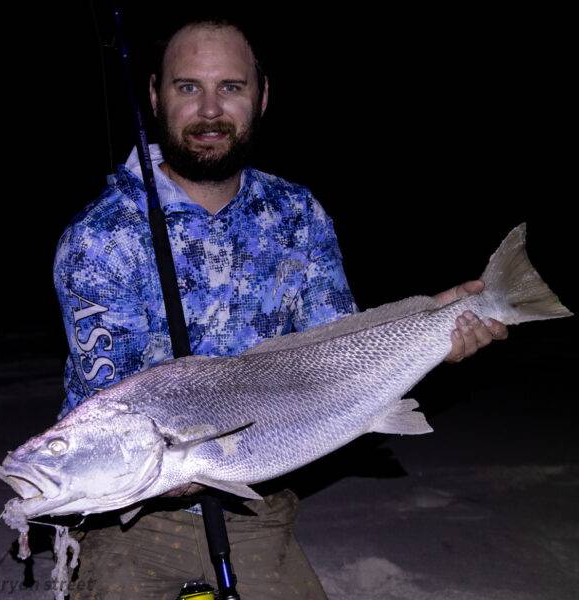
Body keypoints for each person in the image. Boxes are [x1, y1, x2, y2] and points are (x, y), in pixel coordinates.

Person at [54, 18, 508, 600]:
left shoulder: (296, 215)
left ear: (262, 97)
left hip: (257, 514)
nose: (210, 110)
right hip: (129, 524)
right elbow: (112, 418)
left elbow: (335, 351)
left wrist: (433, 322)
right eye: (188, 87)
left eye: (232, 88)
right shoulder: (101, 236)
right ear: (154, 96)